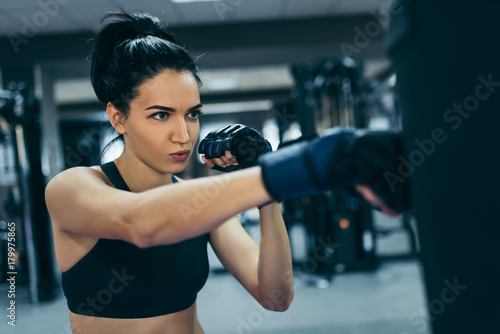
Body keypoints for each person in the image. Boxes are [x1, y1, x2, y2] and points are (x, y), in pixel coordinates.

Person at [45, 11, 409, 334]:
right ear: (117, 117)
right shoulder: (73, 187)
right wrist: (300, 166)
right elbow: (141, 222)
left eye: (192, 113)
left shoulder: (201, 204)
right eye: (161, 115)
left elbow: (275, 296)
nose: (183, 134)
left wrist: (267, 185)